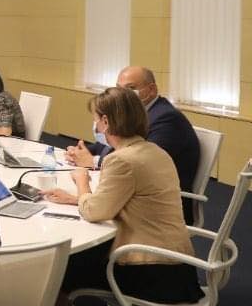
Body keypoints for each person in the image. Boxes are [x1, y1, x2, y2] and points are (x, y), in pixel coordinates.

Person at [41, 86, 202, 306]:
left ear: (106, 121)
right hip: (179, 264)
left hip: (153, 270)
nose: (95, 125)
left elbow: (94, 212)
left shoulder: (121, 161)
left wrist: (81, 181)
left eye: (96, 119)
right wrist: (75, 199)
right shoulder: (154, 150)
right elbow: (124, 201)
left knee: (64, 265)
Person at [66, 66, 201, 224]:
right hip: (139, 201)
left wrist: (84, 177)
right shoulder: (137, 127)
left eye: (130, 88)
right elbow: (113, 145)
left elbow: (137, 163)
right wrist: (82, 152)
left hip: (152, 214)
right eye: (119, 88)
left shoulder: (166, 118)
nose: (123, 95)